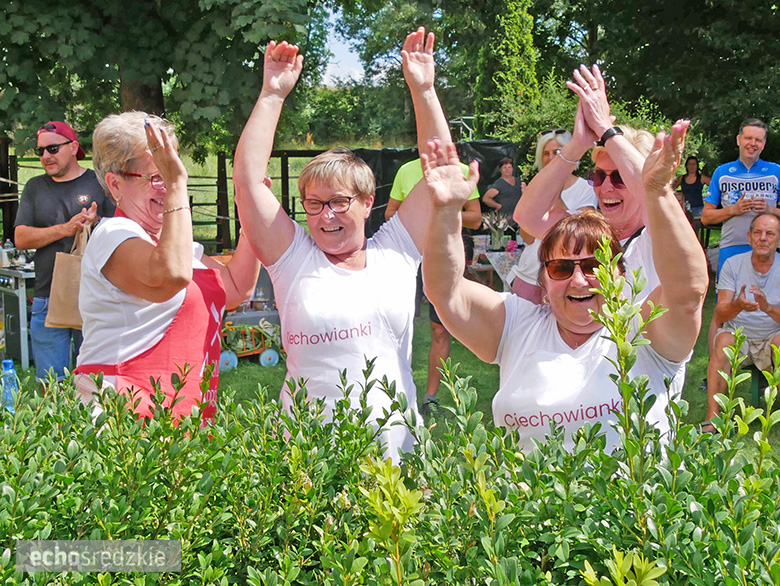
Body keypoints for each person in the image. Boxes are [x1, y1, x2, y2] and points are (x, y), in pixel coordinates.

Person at [421, 118, 708, 451]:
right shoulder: (518, 324)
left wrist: (656, 191)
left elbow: (688, 292)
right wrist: (445, 211)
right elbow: (445, 291)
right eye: (560, 268)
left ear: (619, 275)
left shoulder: (641, 332)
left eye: (594, 266)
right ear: (542, 279)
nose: (578, 279)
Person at [232, 29, 451, 463]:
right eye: (313, 204)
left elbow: (440, 170)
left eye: (338, 202)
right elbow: (247, 181)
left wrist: (424, 90)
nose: (324, 215)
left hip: (397, 459)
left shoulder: (397, 250)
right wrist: (272, 95)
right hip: (308, 462)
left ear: (368, 202)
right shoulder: (292, 258)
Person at [73, 112, 260, 423]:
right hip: (125, 413)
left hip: (183, 415)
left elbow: (237, 288)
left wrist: (253, 216)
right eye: (156, 176)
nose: (167, 185)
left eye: (172, 170)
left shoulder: (174, 245)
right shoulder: (113, 235)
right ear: (115, 184)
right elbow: (171, 275)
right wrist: (177, 184)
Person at [515, 66, 659, 305]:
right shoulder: (590, 234)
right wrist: (577, 144)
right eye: (599, 176)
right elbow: (527, 216)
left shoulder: (658, 236)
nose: (606, 187)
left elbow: (655, 195)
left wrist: (605, 129)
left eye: (620, 177)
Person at [14, 121, 116, 383]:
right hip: (47, 296)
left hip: (96, 295)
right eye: (40, 151)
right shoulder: (35, 187)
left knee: (95, 384)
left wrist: (97, 222)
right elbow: (20, 238)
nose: (46, 156)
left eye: (52, 148)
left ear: (73, 147)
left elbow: (122, 232)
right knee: (51, 386)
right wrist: (65, 229)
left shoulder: (100, 182)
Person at [386, 157, 481, 414]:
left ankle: (430, 397)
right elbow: (389, 213)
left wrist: (443, 210)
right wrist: (421, 215)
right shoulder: (406, 169)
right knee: (397, 326)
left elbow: (475, 218)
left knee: (440, 331)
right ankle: (396, 393)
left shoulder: (462, 171)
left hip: (443, 257)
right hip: (407, 258)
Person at [705, 213, 780, 429]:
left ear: (778, 240)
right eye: (758, 233)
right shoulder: (733, 264)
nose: (763, 238)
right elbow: (720, 314)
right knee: (724, 341)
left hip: (772, 336)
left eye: (770, 234)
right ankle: (713, 417)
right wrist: (738, 304)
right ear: (749, 237)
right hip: (739, 336)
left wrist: (767, 307)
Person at [509, 129, 597, 303]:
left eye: (557, 152)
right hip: (529, 275)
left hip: (565, 278)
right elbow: (527, 238)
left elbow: (582, 233)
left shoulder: (586, 189)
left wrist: (554, 197)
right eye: (546, 153)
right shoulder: (535, 187)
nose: (551, 158)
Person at [701, 119, 780, 277]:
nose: (753, 143)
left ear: (764, 144)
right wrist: (732, 210)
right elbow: (705, 218)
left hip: (767, 250)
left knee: (765, 294)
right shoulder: (722, 172)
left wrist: (769, 210)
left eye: (758, 140)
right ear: (739, 140)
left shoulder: (776, 172)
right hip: (731, 248)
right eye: (748, 138)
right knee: (727, 293)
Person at [482, 157, 522, 222]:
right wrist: (498, 206)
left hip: (518, 217)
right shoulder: (499, 184)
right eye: (504, 168)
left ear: (512, 169)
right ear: (500, 170)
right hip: (505, 219)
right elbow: (486, 198)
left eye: (509, 167)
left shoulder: (519, 181)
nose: (507, 169)